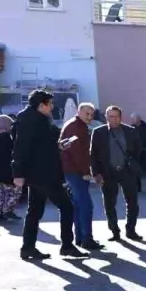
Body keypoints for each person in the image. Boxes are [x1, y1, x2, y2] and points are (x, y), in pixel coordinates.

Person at [12, 89, 82, 260]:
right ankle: (67, 245)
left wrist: (60, 145)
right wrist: (18, 173)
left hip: (39, 173)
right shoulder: (32, 121)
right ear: (41, 105)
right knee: (66, 207)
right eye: (50, 103)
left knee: (34, 211)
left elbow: (44, 144)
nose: (52, 106)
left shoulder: (37, 119)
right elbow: (21, 148)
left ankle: (28, 248)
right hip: (44, 173)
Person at [90, 105, 144, 242]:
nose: (114, 119)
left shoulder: (130, 131)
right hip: (108, 172)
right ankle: (114, 231)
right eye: (111, 116)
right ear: (106, 117)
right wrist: (96, 173)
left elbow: (138, 150)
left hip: (127, 171)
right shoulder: (98, 132)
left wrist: (133, 164)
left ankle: (131, 230)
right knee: (109, 204)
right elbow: (93, 154)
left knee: (132, 203)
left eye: (117, 116)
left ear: (121, 117)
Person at [59, 103, 103, 251]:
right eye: (87, 113)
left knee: (78, 205)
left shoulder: (76, 125)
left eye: (91, 114)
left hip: (72, 170)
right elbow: (77, 152)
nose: (90, 117)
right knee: (86, 205)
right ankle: (86, 239)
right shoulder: (76, 127)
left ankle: (80, 238)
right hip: (75, 171)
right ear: (79, 112)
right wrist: (85, 171)